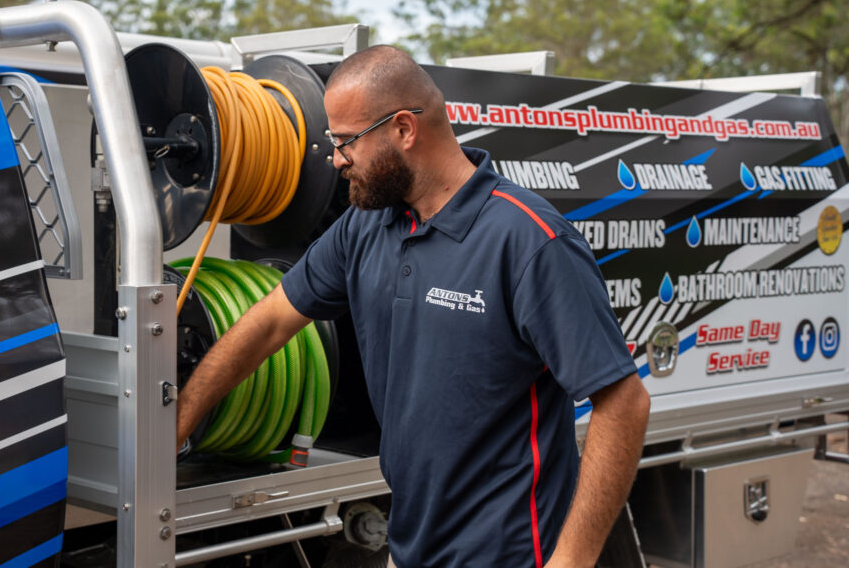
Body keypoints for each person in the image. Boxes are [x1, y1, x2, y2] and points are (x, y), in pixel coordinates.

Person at [176, 45, 651, 568]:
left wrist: (573, 560)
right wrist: (180, 420)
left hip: (511, 553)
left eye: (345, 142)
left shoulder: (528, 241)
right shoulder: (366, 226)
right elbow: (269, 323)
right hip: (410, 544)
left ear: (404, 128)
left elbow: (623, 403)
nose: (335, 160)